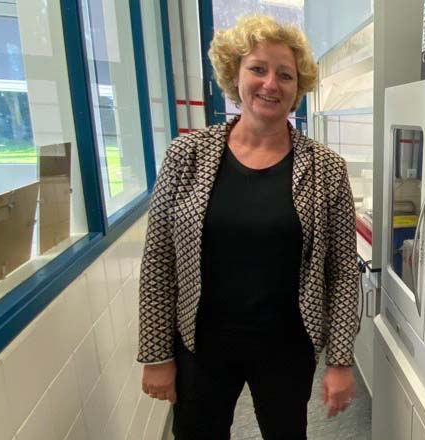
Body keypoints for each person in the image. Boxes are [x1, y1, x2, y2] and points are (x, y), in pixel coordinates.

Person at [136, 14, 360, 439]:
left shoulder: (326, 168)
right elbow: (159, 262)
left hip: (287, 346)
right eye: (258, 69)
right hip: (200, 343)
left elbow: (344, 272)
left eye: (285, 75)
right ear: (234, 75)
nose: (270, 84)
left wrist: (341, 360)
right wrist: (156, 354)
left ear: (297, 88)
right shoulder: (187, 155)